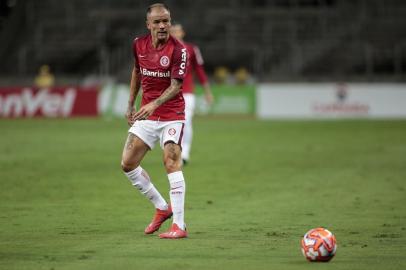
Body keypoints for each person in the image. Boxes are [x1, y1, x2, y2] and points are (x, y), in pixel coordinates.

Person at [120, 3, 188, 239]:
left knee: (171, 160)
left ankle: (179, 225)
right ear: (148, 24)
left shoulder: (179, 50)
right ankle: (162, 207)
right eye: (157, 22)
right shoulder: (138, 44)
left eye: (166, 21)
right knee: (127, 163)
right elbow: (137, 72)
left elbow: (176, 86)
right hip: (147, 115)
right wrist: (131, 103)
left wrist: (153, 104)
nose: (162, 26)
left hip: (171, 114)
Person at [170, 23, 214, 164]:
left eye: (178, 31)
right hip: (169, 94)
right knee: (171, 124)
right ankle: (174, 152)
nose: (176, 34)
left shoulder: (192, 49)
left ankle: (184, 153)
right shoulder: (164, 50)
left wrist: (207, 91)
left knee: (185, 122)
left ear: (183, 33)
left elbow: (200, 71)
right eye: (173, 31)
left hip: (187, 93)